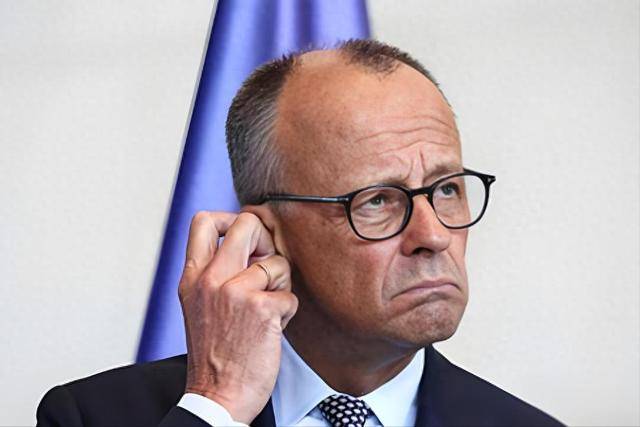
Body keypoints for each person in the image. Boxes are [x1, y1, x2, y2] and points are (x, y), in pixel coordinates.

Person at [37, 39, 563, 427]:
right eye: (378, 200)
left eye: (446, 189)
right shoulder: (90, 416)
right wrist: (218, 407)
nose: (434, 235)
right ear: (266, 232)